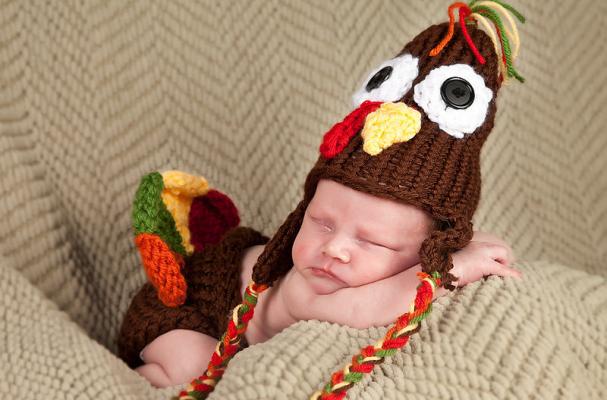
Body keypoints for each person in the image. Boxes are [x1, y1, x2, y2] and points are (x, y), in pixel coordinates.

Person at [125, 178, 521, 388]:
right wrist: (461, 268)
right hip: (182, 314)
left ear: (422, 252)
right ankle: (144, 378)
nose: (335, 249)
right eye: (322, 223)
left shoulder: (384, 257)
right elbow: (374, 305)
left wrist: (472, 247)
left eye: (370, 241)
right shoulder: (305, 285)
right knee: (197, 368)